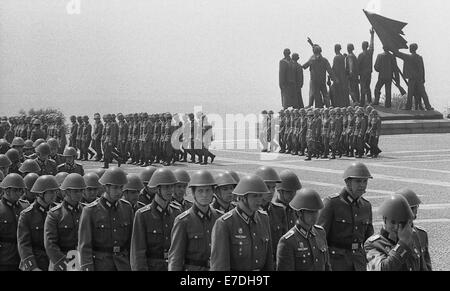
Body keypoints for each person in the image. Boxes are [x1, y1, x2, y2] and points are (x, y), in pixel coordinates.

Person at [317, 162, 374, 271]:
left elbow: (368, 239)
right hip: (336, 262)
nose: (362, 185)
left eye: (365, 181)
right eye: (358, 181)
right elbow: (320, 237)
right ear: (348, 182)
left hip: (358, 262)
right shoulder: (332, 203)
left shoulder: (366, 206)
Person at [210, 175, 273, 271]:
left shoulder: (263, 218)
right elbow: (220, 266)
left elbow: (268, 259)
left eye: (260, 195)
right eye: (255, 196)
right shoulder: (225, 223)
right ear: (243, 197)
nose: (259, 200)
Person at [78, 167, 133, 271]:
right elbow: (85, 246)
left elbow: (131, 242)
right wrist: (87, 267)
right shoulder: (90, 211)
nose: (119, 192)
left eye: (121, 188)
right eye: (115, 188)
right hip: (101, 264)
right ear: (106, 187)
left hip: (123, 264)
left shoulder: (127, 208)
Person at [130, 168, 182, 271]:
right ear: (157, 189)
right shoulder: (143, 215)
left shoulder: (177, 212)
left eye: (172, 186)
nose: (170, 190)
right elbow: (138, 252)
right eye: (166, 187)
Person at [168, 170, 220, 271]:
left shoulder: (219, 219)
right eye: (200, 191)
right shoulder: (183, 221)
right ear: (193, 193)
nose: (204, 195)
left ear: (213, 192)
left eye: (208, 190)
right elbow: (176, 258)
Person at [365, 194, 427, 271]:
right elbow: (382, 269)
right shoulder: (374, 244)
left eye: (401, 223)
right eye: (393, 222)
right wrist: (402, 244)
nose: (396, 227)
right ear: (384, 219)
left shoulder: (414, 238)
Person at [276, 188, 331, 271]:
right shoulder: (288, 241)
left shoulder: (320, 233)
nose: (315, 216)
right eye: (310, 212)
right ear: (299, 213)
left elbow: (327, 266)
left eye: (316, 211)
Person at [44, 173, 85, 271]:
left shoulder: (86, 211)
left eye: (81, 190)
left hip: (82, 260)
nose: (79, 194)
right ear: (67, 192)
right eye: (75, 191)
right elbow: (50, 244)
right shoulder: (55, 214)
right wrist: (66, 265)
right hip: (61, 262)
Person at [18, 175, 59, 271]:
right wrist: (32, 267)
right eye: (51, 192)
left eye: (55, 191)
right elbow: (24, 244)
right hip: (37, 262)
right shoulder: (27, 215)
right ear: (40, 194)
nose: (54, 195)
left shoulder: (59, 211)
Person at [268, 170, 301, 261]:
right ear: (280, 191)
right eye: (289, 192)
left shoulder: (295, 210)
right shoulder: (272, 211)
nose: (293, 195)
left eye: (294, 192)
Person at [396, 188, 432, 270]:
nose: (410, 213)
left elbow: (426, 264)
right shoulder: (390, 235)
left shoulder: (421, 234)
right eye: (406, 209)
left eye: (413, 208)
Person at [0, 174, 29, 270]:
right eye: (16, 190)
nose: (20, 193)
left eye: (21, 190)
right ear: (7, 191)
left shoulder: (25, 206)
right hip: (5, 259)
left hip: (23, 258)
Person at [392, 44, 433, 111]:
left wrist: (392, 48)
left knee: (410, 93)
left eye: (410, 48)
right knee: (423, 93)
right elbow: (422, 69)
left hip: (412, 79)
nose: (409, 49)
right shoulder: (419, 57)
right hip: (419, 79)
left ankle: (408, 107)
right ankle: (428, 106)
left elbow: (398, 54)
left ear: (412, 49)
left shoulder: (408, 57)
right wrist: (423, 78)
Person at [358, 29, 375, 106]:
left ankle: (362, 102)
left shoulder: (361, 55)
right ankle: (369, 101)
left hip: (362, 74)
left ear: (362, 46)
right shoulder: (370, 53)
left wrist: (357, 75)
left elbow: (358, 66)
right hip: (368, 73)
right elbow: (372, 45)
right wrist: (372, 35)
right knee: (368, 87)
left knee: (362, 88)